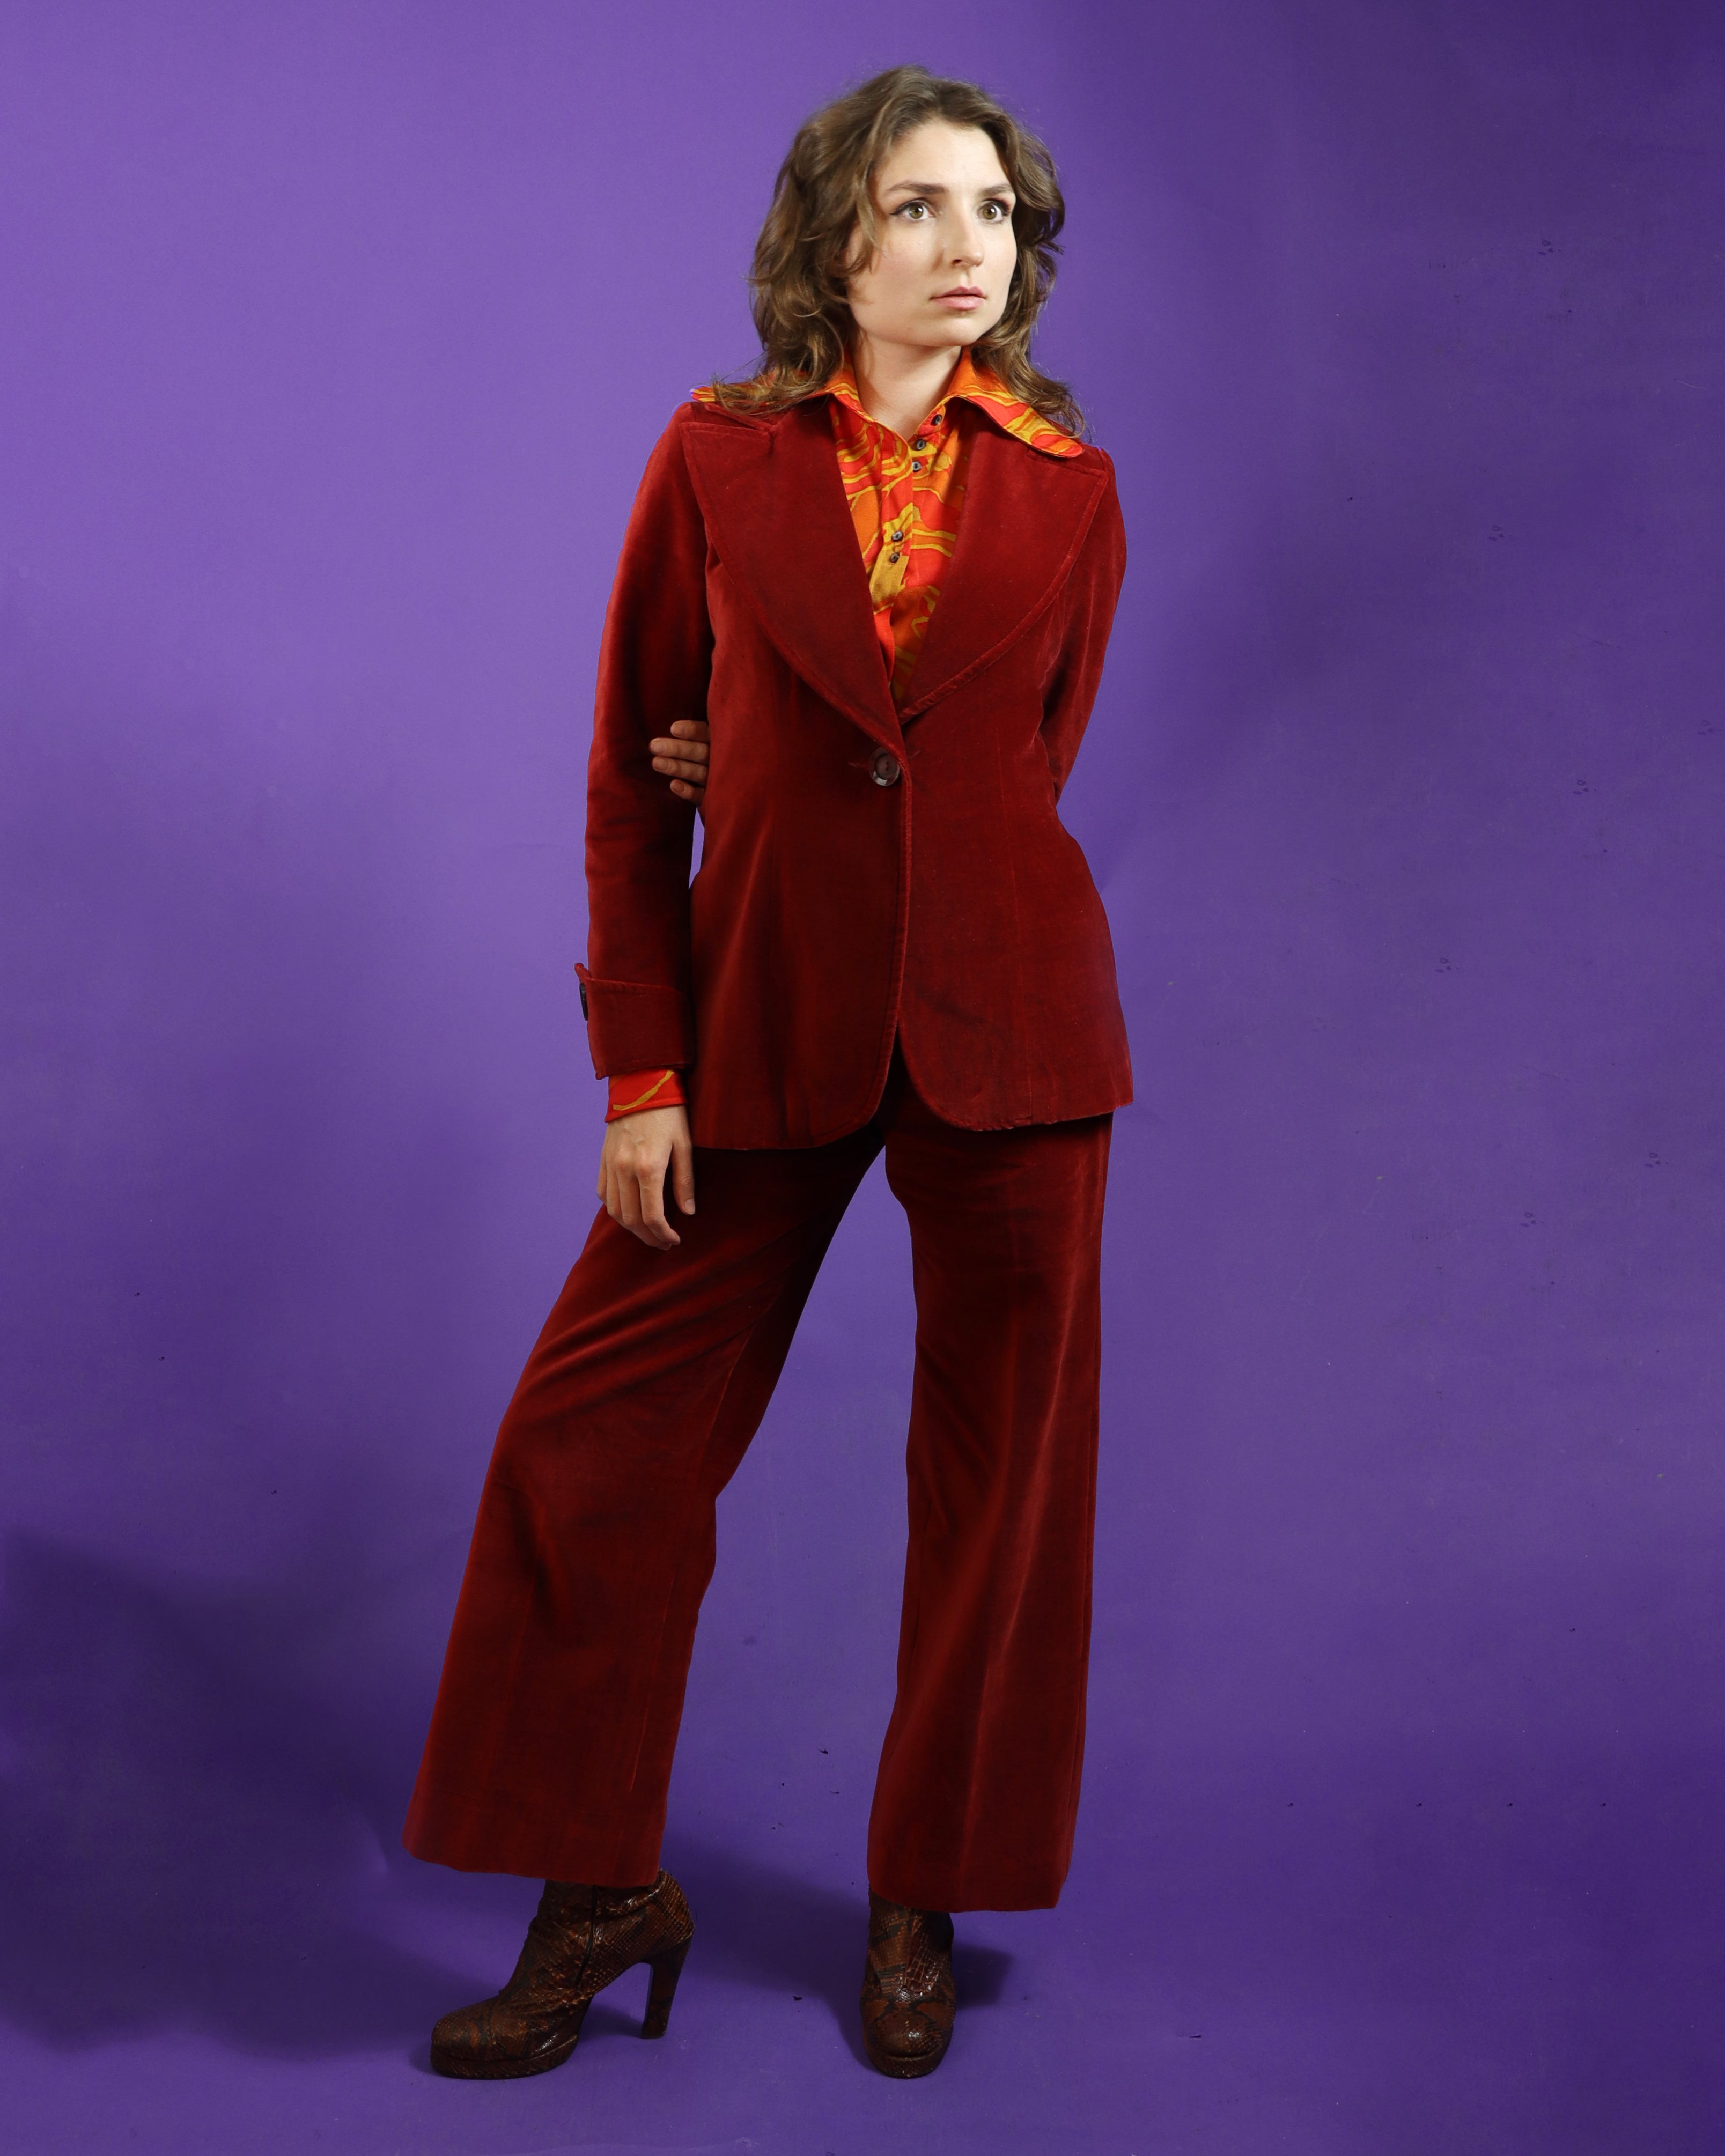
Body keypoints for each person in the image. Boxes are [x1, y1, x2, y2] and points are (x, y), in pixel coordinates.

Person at [404, 62, 1131, 2082]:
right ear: (835, 240)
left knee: (1004, 1482)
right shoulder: (714, 458)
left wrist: (803, 767)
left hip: (1013, 1025)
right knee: (591, 1444)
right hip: (754, 1023)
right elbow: (627, 783)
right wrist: (640, 1067)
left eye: (995, 213)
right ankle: (597, 1890)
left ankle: (923, 1893)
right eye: (918, 207)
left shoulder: (1073, 488)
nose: (967, 247)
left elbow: (1020, 765)